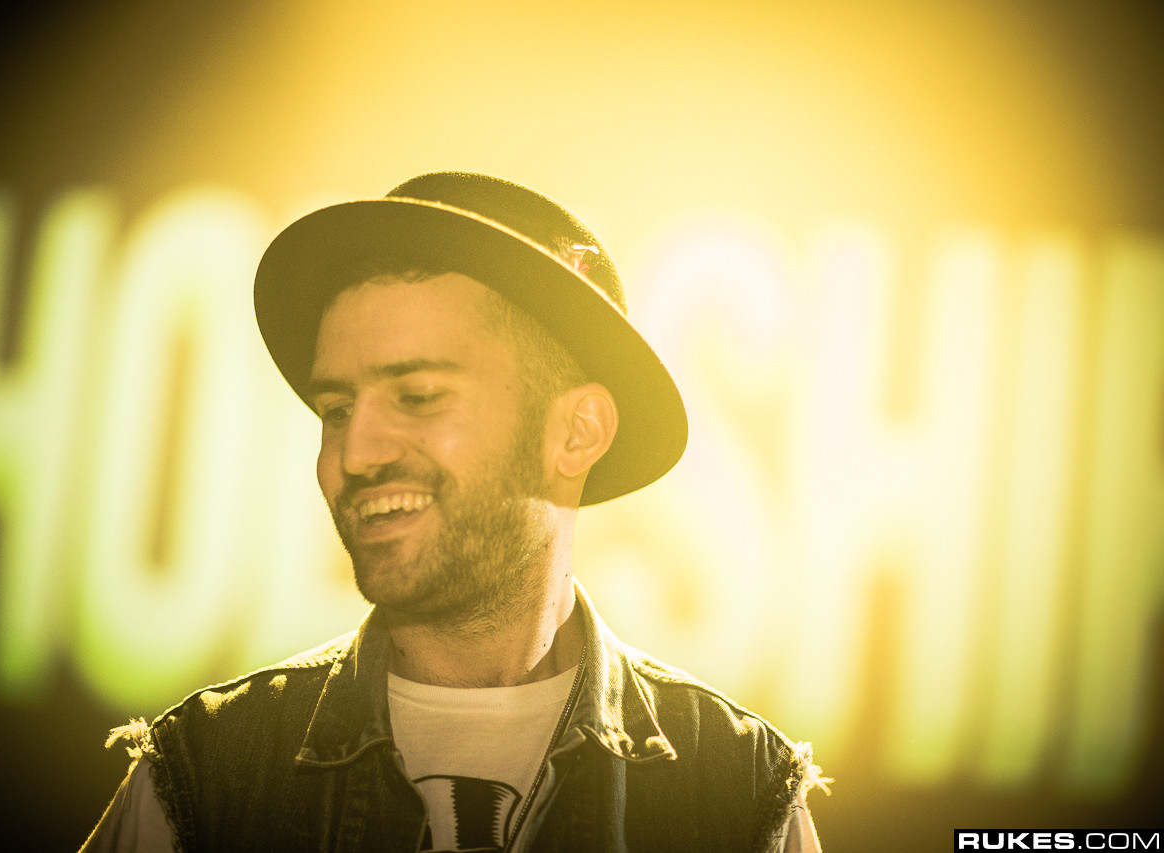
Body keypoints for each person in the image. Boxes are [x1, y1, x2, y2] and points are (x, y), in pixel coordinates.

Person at [81, 171, 829, 852]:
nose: (355, 453)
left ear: (576, 433)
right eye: (336, 409)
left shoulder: (736, 793)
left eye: (418, 396)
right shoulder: (204, 778)